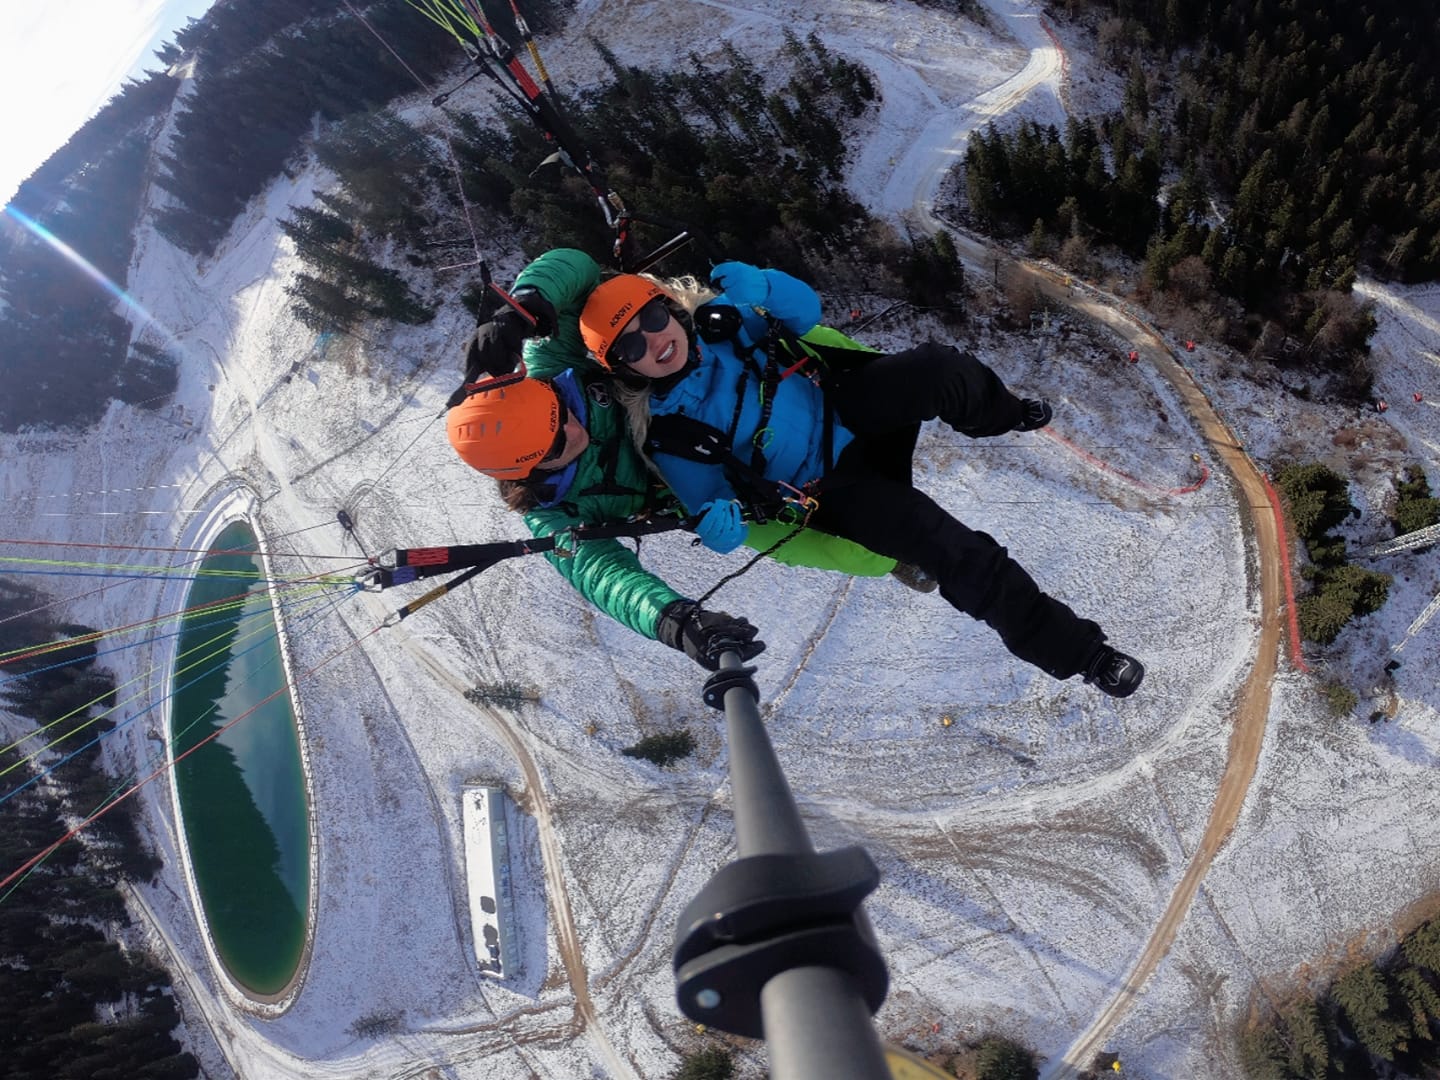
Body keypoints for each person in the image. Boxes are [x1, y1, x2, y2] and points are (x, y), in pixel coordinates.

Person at [570, 260, 1145, 697]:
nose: (653, 340)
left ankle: (1006, 414)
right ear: (623, 368)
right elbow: (714, 508)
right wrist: (722, 527)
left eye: (653, 318)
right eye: (631, 345)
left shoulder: (723, 327)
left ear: (670, 307)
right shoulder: (671, 436)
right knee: (950, 548)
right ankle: (1081, 654)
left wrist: (764, 289)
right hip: (830, 489)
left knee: (936, 369)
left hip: (845, 406)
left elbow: (804, 314)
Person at [445, 364, 763, 672]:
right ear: (527, 472)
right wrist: (673, 620)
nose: (573, 430)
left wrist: (514, 317)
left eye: (558, 412)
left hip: (720, 408)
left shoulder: (553, 367)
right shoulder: (553, 513)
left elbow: (568, 311)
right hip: (717, 501)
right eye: (556, 445)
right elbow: (601, 574)